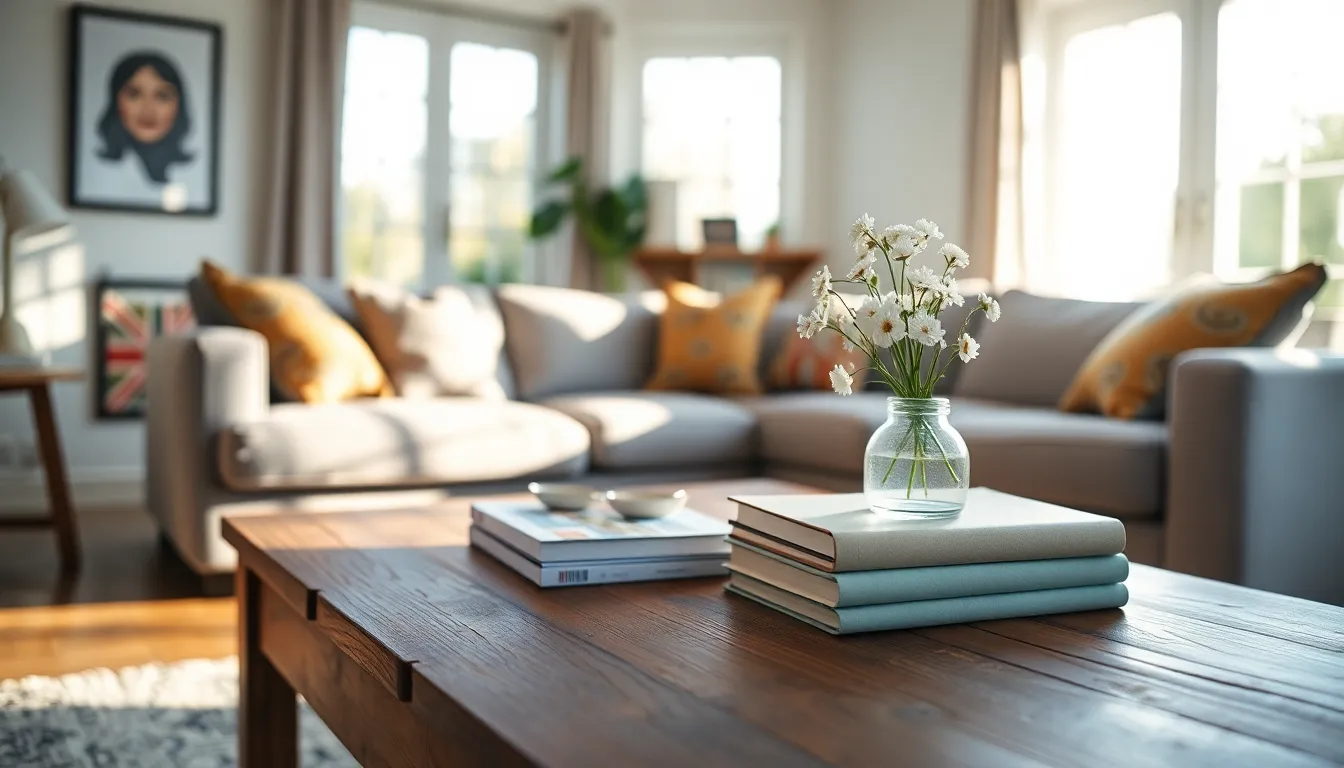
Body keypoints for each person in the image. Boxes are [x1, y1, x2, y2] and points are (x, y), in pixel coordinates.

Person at [95, 52, 193, 185]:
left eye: (162, 96)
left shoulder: (189, 174)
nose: (148, 111)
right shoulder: (104, 172)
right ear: (116, 102)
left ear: (179, 105)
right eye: (134, 94)